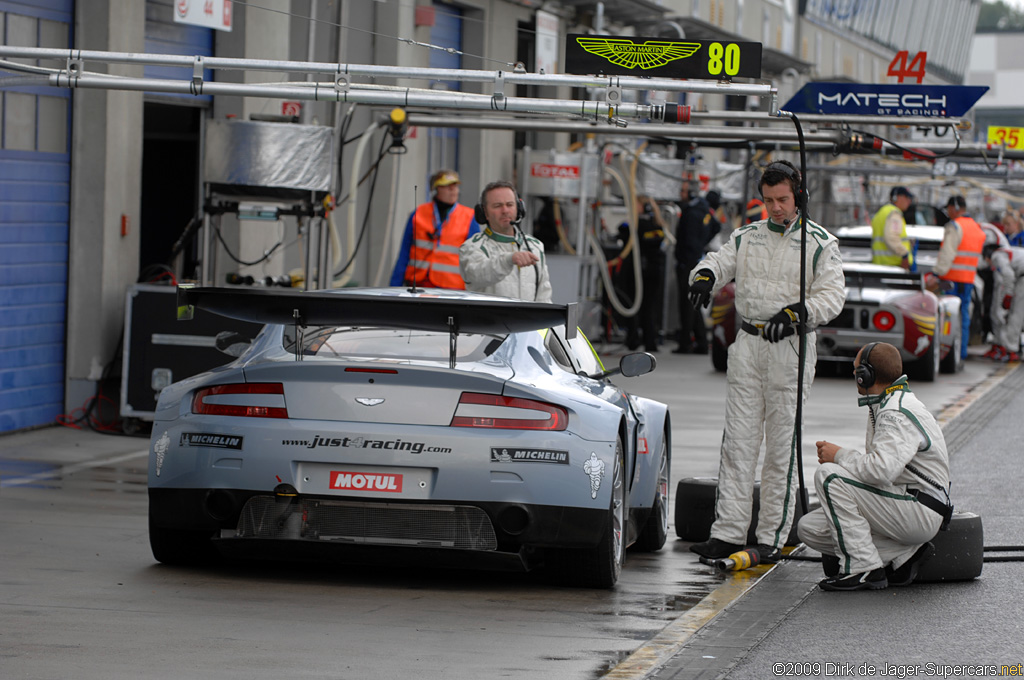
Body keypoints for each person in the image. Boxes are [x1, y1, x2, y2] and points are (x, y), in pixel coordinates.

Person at [687, 160, 846, 562]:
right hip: (748, 348)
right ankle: (727, 533)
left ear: (799, 197)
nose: (775, 207)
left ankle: (771, 536)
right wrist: (704, 277)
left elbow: (832, 297)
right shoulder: (747, 238)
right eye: (768, 200)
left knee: (781, 450)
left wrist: (796, 314)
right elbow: (717, 261)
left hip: (790, 352)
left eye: (782, 200)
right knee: (737, 445)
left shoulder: (820, 243)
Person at [797, 342, 951, 591]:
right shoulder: (889, 401)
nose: (854, 375)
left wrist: (839, 455)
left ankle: (862, 567)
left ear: (866, 375)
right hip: (906, 504)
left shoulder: (895, 412)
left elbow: (881, 471)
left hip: (918, 510)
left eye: (856, 369)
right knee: (810, 528)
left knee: (829, 477)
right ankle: (903, 555)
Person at [459, 181, 552, 302]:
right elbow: (476, 275)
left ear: (519, 208)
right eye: (497, 206)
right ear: (484, 212)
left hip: (527, 321)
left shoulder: (535, 246)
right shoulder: (472, 246)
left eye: (510, 204)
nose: (505, 210)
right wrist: (508, 260)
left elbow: (543, 296)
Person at [390, 169, 480, 289]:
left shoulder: (470, 218)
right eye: (447, 186)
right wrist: (393, 288)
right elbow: (404, 254)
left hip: (452, 290)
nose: (453, 189)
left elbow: (475, 260)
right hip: (417, 285)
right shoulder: (418, 214)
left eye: (455, 186)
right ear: (436, 189)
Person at [926, 195, 985, 361]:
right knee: (963, 316)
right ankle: (961, 352)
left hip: (951, 281)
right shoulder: (976, 228)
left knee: (948, 318)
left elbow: (947, 254)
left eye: (949, 209)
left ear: (955, 208)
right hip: (968, 280)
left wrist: (936, 274)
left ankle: (949, 352)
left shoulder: (954, 226)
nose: (948, 212)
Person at [673, 180, 720, 354]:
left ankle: (686, 342)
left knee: (687, 303)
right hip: (694, 258)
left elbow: (689, 240)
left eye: (683, 191)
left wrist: (688, 256)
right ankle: (700, 340)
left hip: (688, 261)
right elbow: (716, 226)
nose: (681, 194)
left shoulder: (692, 212)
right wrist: (702, 244)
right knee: (693, 301)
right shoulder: (703, 210)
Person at [618, 195, 667, 352]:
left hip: (638, 272)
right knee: (649, 308)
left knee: (634, 306)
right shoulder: (658, 226)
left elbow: (623, 233)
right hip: (653, 272)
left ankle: (633, 339)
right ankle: (649, 342)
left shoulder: (637, 226)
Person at [981, 243, 1024, 362]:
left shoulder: (997, 256)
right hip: (1021, 275)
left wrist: (1008, 295)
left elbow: (1008, 275)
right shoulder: (1008, 252)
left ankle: (1011, 350)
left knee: (1016, 315)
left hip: (1022, 277)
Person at [870, 186, 915, 270]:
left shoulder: (881, 213)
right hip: (895, 266)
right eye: (907, 198)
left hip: (880, 265)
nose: (909, 201)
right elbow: (891, 237)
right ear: (898, 197)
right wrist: (904, 255)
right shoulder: (894, 213)